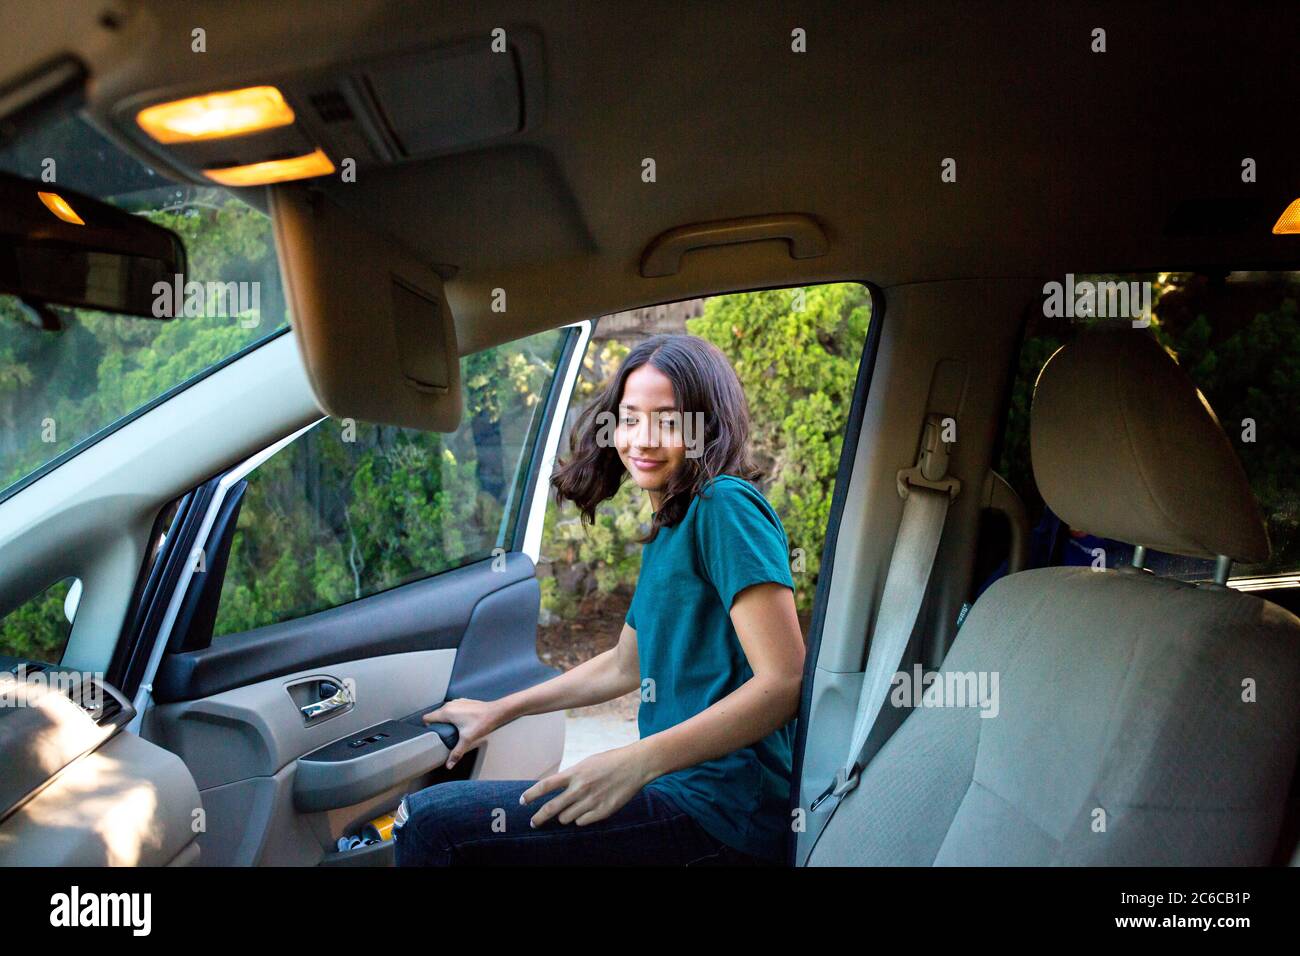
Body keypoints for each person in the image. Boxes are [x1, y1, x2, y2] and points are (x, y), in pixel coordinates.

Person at [393, 334, 806, 866]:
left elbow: (784, 681)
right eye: (631, 418)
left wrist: (634, 762)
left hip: (720, 814)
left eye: (670, 420)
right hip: (677, 791)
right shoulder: (672, 523)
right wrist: (499, 711)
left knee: (432, 823)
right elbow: (622, 665)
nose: (643, 438)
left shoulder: (724, 506)